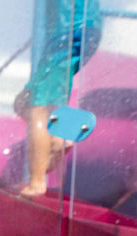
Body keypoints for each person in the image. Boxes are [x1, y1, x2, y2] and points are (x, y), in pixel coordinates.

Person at [15, 0, 101, 196]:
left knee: (36, 106)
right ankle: (56, 138)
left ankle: (37, 183)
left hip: (68, 29)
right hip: (83, 29)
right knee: (23, 102)